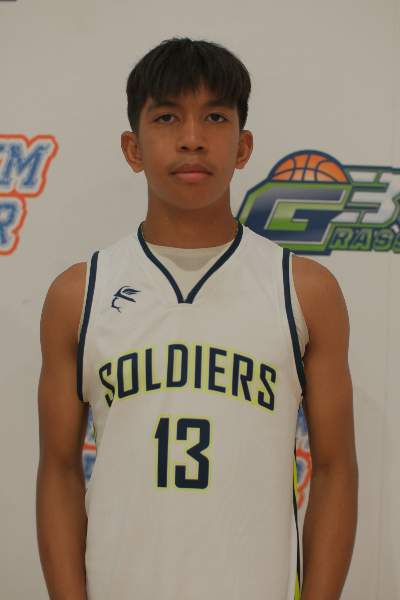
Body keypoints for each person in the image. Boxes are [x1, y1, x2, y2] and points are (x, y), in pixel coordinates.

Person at [36, 38, 358, 600]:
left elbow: (334, 469)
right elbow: (59, 471)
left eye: (215, 116)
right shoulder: (79, 294)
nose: (192, 137)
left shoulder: (304, 290)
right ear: (132, 148)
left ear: (243, 146)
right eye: (167, 117)